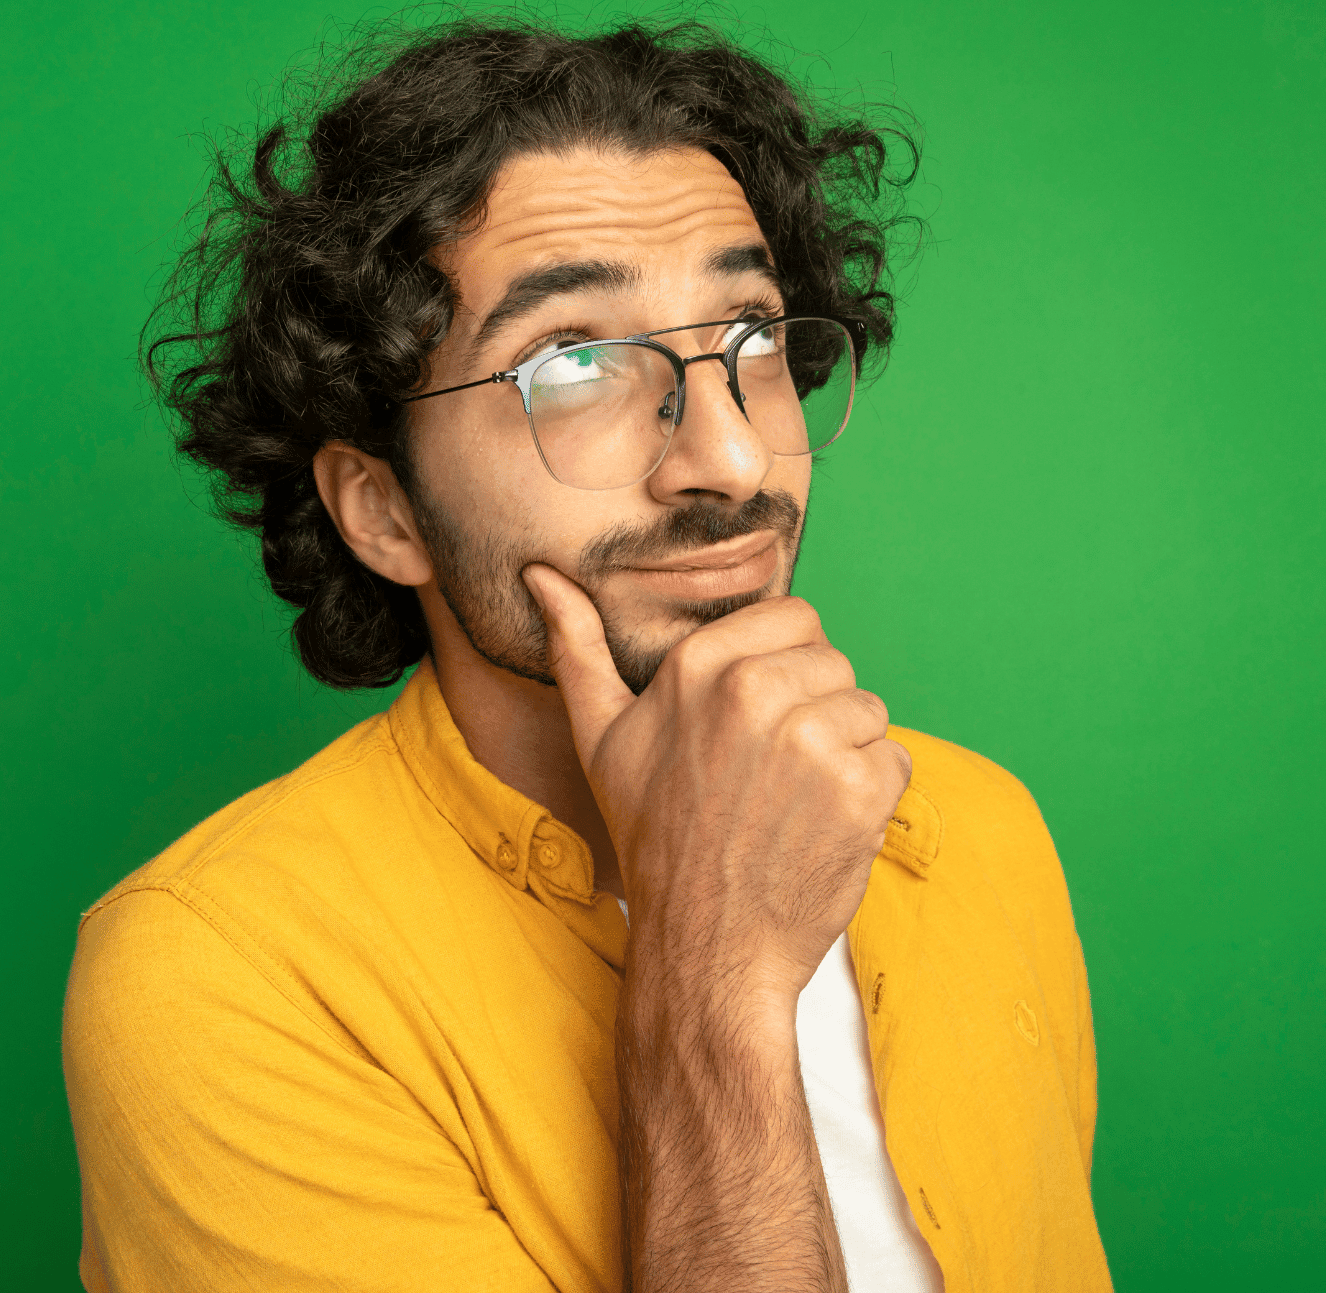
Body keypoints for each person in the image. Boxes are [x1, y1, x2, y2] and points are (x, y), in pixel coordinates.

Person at [63, 17, 1111, 1292]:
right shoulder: (218, 981)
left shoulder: (980, 836)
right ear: (383, 510)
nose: (727, 459)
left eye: (752, 340)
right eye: (573, 365)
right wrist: (716, 969)